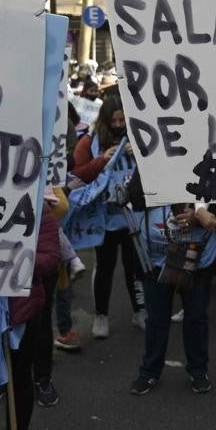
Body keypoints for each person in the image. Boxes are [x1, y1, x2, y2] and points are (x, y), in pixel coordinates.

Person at [128, 174, 216, 397]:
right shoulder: (149, 155)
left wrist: (200, 213)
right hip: (155, 260)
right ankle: (149, 371)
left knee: (196, 317)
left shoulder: (208, 157)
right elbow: (135, 196)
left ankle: (198, 371)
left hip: (198, 258)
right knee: (156, 318)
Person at [71, 95, 145, 338]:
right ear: (105, 120)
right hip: (105, 218)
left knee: (135, 267)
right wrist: (102, 160)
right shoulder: (90, 141)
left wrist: (141, 155)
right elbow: (78, 175)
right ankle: (101, 315)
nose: (118, 124)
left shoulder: (137, 134)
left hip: (133, 217)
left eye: (122, 120)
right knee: (104, 267)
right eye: (113, 120)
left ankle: (140, 311)